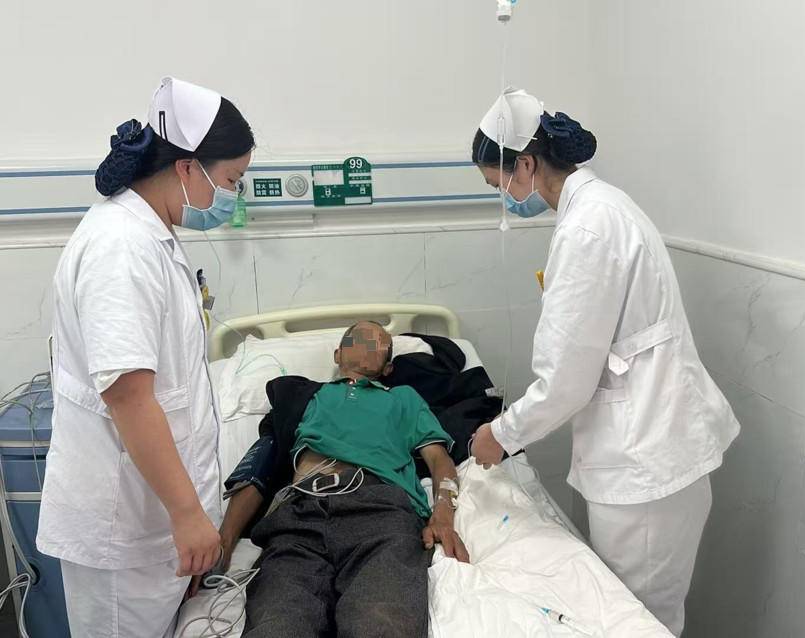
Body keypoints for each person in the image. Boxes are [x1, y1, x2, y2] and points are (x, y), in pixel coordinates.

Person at [468, 88, 740, 637]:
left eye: (501, 186)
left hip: (645, 466)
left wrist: (501, 434)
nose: (507, 201)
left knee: (638, 621)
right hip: (648, 450)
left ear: (526, 164)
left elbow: (566, 380)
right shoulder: (603, 208)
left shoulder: (588, 229)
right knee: (636, 617)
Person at [37, 77, 254, 637]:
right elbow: (130, 399)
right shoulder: (120, 249)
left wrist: (193, 515)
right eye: (232, 180)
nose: (233, 196)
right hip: (124, 531)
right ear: (187, 168)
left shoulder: (150, 234)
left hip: (152, 526)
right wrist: (187, 515)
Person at [213, 321, 469, 638]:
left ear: (388, 367)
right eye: (357, 338)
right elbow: (258, 466)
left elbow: (439, 459)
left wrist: (443, 513)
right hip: (299, 518)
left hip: (381, 514)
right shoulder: (303, 397)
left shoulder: (404, 399)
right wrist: (224, 541)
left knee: (381, 626)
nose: (367, 341)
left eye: (378, 342)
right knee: (277, 627)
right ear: (337, 354)